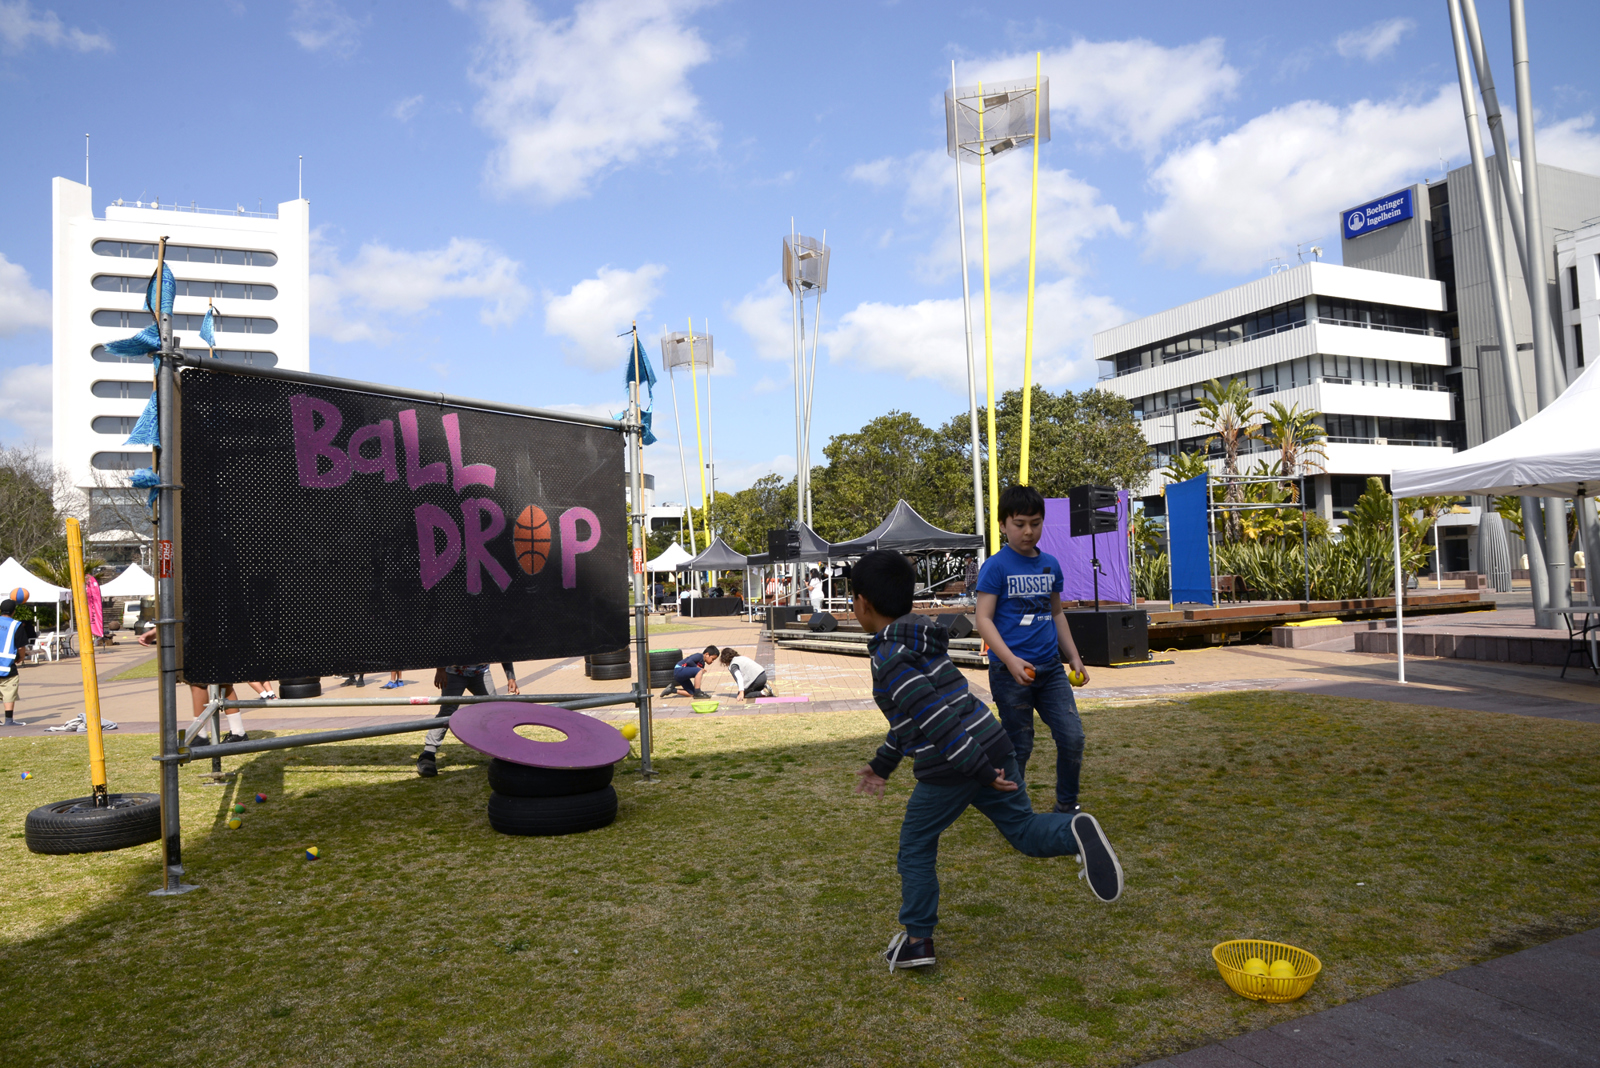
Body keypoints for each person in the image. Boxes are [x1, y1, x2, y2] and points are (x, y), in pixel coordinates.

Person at [850, 550, 1121, 972]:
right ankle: (1074, 831)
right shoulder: (919, 639)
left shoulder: (890, 657)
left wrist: (978, 771)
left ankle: (918, 941)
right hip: (992, 744)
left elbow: (937, 721)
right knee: (1024, 831)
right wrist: (885, 762)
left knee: (916, 845)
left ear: (863, 603)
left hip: (955, 764)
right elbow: (916, 715)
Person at [974, 484, 1091, 816]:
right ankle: (1013, 811)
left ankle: (1066, 806)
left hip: (1051, 669)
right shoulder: (996, 567)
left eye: (1035, 523)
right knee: (1018, 746)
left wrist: (1073, 656)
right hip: (1010, 673)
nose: (1028, 531)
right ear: (1002, 525)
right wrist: (1009, 660)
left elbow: (1057, 614)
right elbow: (983, 620)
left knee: (1073, 737)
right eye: (1019, 523)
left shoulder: (1051, 565)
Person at [136, 627, 247, 743]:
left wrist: (154, 632)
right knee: (222, 681)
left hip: (200, 633)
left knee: (198, 681)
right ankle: (237, 732)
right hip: (223, 631)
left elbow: (179, 611)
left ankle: (201, 734)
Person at [417, 662, 520, 778]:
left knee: (494, 711)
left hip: (481, 672)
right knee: (447, 711)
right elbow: (443, 645)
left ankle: (503, 752)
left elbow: (502, 647)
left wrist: (511, 677)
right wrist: (440, 669)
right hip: (454, 673)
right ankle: (428, 753)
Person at [0, 599, 38, 726]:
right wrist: (21, 658)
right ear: (14, 612)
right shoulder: (16, 625)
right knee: (9, 691)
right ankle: (9, 720)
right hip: (8, 665)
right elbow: (21, 647)